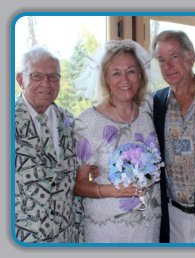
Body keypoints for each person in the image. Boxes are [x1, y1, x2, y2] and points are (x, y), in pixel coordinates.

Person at [73, 39, 162, 243]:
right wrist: (111, 191)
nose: (125, 79)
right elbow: (78, 185)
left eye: (131, 71)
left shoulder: (151, 110)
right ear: (105, 78)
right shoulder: (87, 121)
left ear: (140, 74)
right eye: (116, 73)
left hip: (149, 223)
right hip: (107, 227)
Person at [15, 46, 83, 243]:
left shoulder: (71, 122)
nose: (46, 83)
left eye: (53, 76)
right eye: (36, 76)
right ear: (21, 80)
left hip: (67, 237)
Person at [151, 30, 195, 243]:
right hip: (172, 217)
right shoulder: (155, 103)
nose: (168, 66)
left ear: (191, 57)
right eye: (162, 60)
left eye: (174, 56)